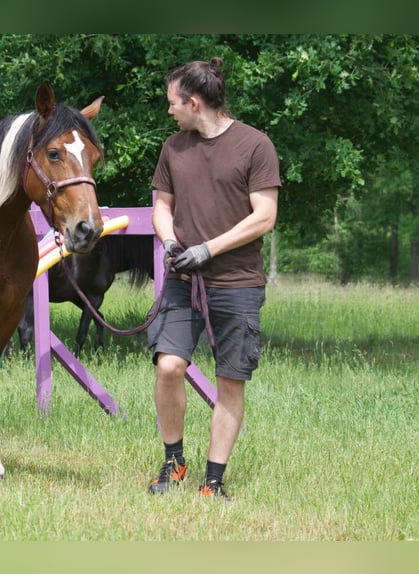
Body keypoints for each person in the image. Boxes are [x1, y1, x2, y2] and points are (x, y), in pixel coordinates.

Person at [146, 57, 280, 499]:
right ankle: (174, 463)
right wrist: (169, 243)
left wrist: (208, 249)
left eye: (173, 103)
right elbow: (162, 206)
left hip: (238, 283)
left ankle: (213, 480)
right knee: (169, 367)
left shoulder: (255, 145)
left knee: (229, 381)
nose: (169, 111)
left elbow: (264, 218)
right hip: (184, 283)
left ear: (194, 102)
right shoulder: (173, 148)